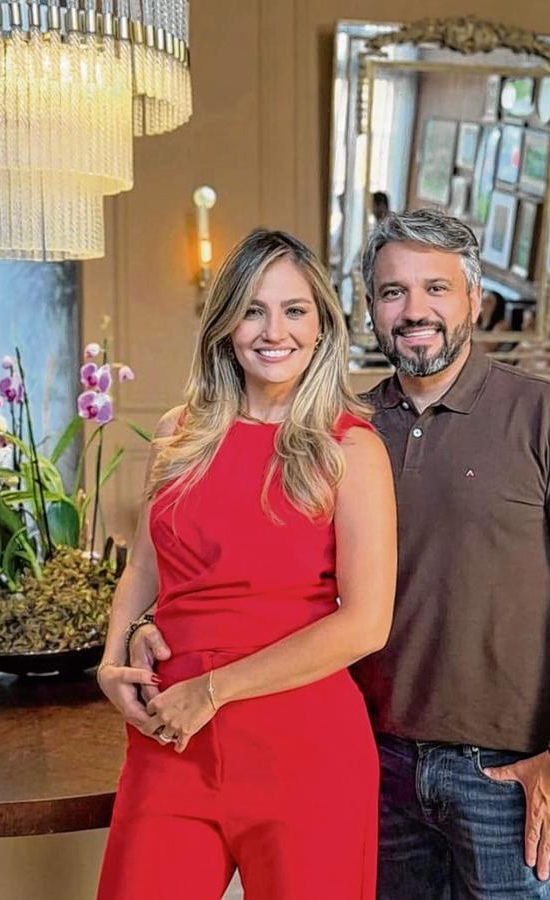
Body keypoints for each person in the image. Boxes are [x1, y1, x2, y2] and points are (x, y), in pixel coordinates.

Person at [96, 228, 397, 900]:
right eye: (254, 310)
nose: (274, 331)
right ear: (226, 323)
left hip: (305, 751)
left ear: (321, 326)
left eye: (295, 310)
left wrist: (211, 691)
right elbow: (144, 568)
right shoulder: (178, 433)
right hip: (169, 742)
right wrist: (112, 658)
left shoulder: (352, 450)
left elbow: (367, 623)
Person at [350, 208, 550, 898]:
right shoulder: (349, 427)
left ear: (474, 299)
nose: (415, 311)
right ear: (371, 308)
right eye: (393, 292)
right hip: (374, 765)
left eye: (436, 288)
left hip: (510, 774)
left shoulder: (546, 416)